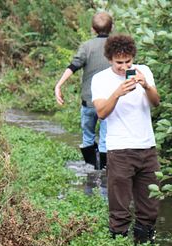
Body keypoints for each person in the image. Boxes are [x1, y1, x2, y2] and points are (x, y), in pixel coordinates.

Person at [91, 34, 161, 243]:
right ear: (110, 59)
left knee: (150, 204)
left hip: (147, 147)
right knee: (119, 206)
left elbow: (156, 103)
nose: (124, 67)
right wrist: (117, 93)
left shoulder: (144, 71)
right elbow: (101, 113)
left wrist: (146, 85)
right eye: (119, 62)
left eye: (128, 61)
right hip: (119, 149)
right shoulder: (101, 79)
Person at [54, 11, 113, 170]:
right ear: (111, 28)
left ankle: (91, 170)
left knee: (88, 137)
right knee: (105, 139)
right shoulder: (115, 46)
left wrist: (58, 85)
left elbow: (73, 66)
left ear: (93, 29)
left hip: (89, 102)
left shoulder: (87, 46)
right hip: (109, 103)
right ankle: (104, 173)